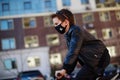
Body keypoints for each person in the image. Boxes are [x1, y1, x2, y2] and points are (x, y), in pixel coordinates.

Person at [51, 9, 110, 80]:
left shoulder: (76, 31)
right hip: (92, 60)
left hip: (98, 58)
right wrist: (66, 71)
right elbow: (74, 56)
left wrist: (65, 68)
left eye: (56, 24)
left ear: (66, 22)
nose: (55, 27)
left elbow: (73, 52)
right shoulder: (68, 35)